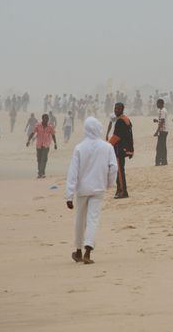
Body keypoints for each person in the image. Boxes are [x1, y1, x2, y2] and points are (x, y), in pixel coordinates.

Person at [65, 117, 118, 265]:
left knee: (80, 220)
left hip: (82, 189)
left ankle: (78, 251)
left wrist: (69, 195)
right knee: (93, 219)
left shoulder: (79, 148)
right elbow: (113, 167)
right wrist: (109, 183)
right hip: (99, 188)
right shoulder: (107, 147)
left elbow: (73, 172)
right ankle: (88, 250)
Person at [109, 103, 134, 199]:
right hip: (123, 148)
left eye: (118, 109)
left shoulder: (120, 121)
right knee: (119, 170)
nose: (116, 110)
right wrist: (131, 149)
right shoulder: (126, 119)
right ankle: (119, 190)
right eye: (115, 108)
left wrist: (107, 146)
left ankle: (123, 191)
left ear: (122, 109)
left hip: (119, 150)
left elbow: (116, 137)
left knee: (119, 171)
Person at [26, 114, 57, 179]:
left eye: (47, 119)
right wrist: (28, 141)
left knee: (44, 159)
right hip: (39, 145)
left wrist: (55, 143)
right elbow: (32, 133)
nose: (46, 120)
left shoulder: (50, 127)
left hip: (46, 145)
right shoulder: (38, 125)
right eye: (45, 119)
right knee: (39, 159)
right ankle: (40, 172)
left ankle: (41, 173)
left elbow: (53, 135)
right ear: (42, 119)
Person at [153, 99, 168, 166]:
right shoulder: (161, 110)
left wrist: (157, 131)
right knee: (163, 147)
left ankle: (158, 162)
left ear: (161, 104)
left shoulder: (163, 111)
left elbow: (162, 121)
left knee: (159, 147)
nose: (157, 105)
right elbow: (161, 120)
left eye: (157, 103)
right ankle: (164, 161)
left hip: (163, 131)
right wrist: (157, 120)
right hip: (163, 130)